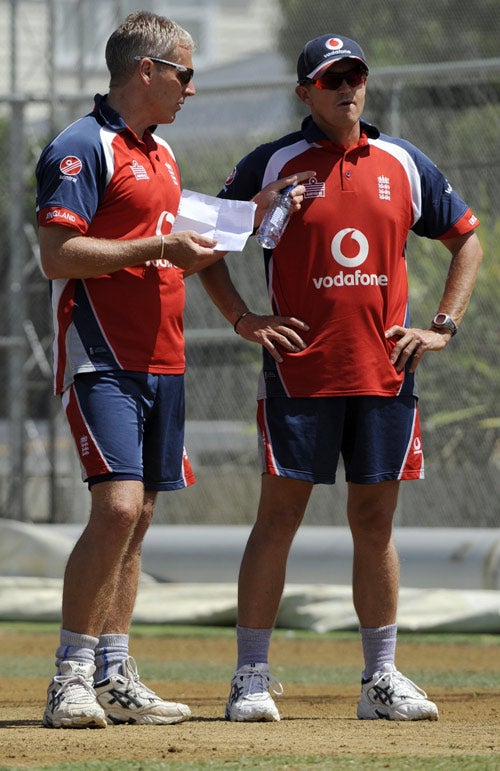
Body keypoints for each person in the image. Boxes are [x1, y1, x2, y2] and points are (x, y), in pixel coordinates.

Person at [35, 10, 309, 730]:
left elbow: (187, 242)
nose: (193, 87)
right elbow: (58, 255)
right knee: (117, 507)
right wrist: (156, 246)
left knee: (143, 516)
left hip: (164, 356)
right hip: (103, 355)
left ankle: (114, 670)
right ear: (147, 72)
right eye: (186, 74)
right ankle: (70, 676)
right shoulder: (80, 145)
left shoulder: (162, 155)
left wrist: (257, 214)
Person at [198, 34, 483, 722]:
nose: (347, 87)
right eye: (332, 79)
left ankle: (380, 677)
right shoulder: (274, 162)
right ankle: (251, 677)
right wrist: (244, 319)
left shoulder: (402, 162)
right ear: (306, 93)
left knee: (374, 520)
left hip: (385, 373)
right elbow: (204, 236)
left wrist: (441, 325)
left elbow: (466, 238)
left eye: (355, 75)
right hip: (300, 371)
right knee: (278, 518)